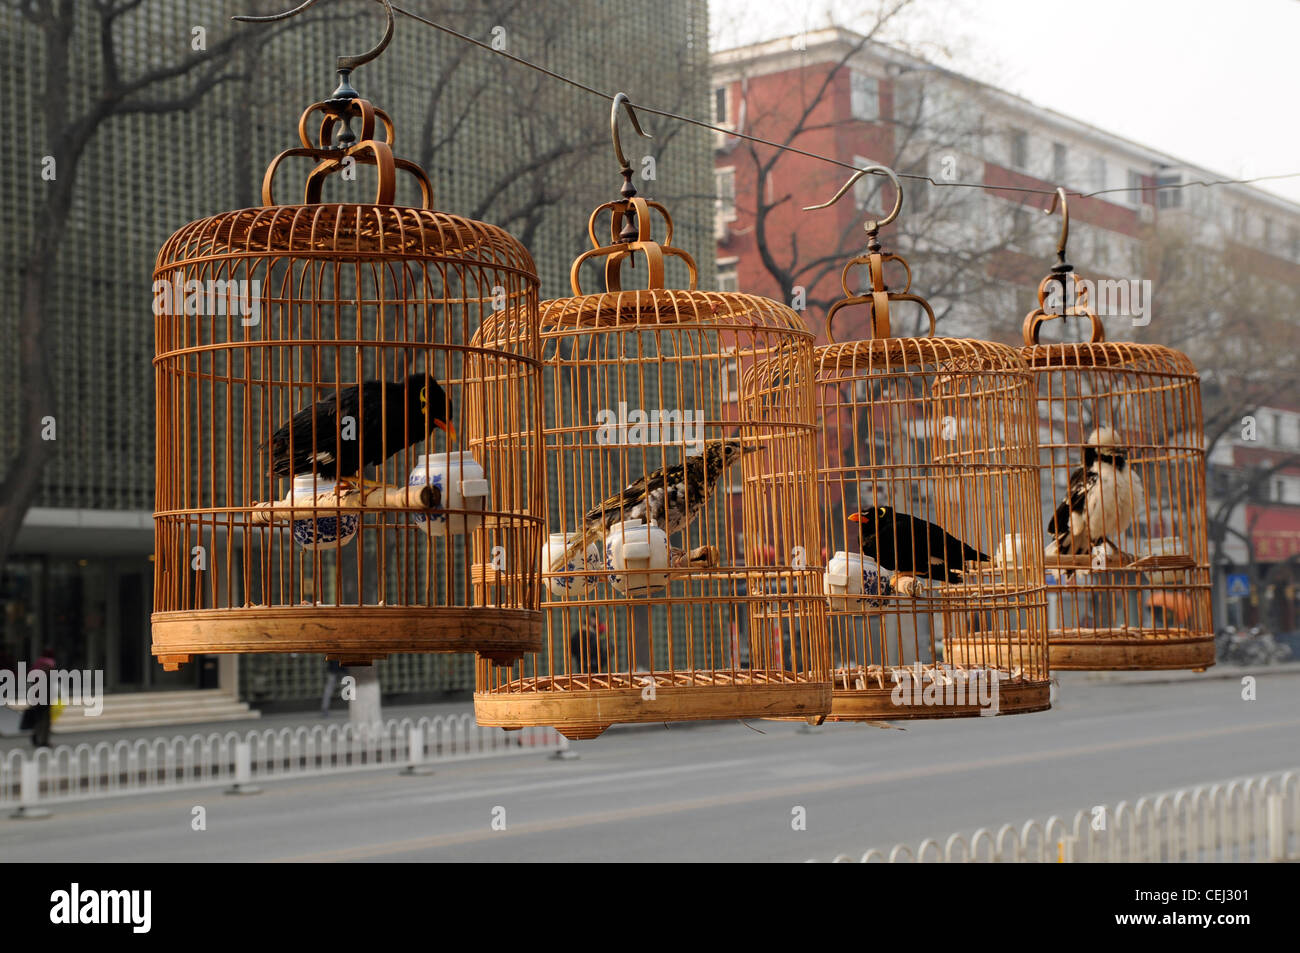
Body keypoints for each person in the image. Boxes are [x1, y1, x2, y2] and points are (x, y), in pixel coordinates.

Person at [20, 647, 57, 748]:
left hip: (35, 696)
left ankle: (36, 737)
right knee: (45, 719)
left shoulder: (37, 663)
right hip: (45, 697)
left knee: (38, 718)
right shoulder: (50, 665)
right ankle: (43, 741)